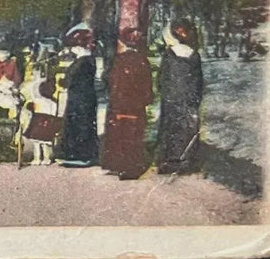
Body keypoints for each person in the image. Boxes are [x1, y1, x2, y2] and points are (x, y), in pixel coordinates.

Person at [102, 27, 153, 180]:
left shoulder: (119, 60)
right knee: (134, 135)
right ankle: (132, 166)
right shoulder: (143, 61)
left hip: (119, 103)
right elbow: (147, 86)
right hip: (136, 105)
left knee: (118, 134)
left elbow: (109, 80)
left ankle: (118, 165)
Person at [158, 20, 205, 174]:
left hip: (172, 98)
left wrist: (165, 93)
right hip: (188, 98)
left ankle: (171, 160)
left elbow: (162, 78)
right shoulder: (194, 55)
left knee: (172, 127)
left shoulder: (170, 54)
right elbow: (198, 81)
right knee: (187, 128)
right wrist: (196, 97)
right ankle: (187, 161)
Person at [58, 24, 100, 168]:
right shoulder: (85, 60)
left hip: (81, 99)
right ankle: (78, 154)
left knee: (80, 125)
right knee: (80, 125)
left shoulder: (83, 61)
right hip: (81, 98)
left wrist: (63, 80)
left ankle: (80, 155)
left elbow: (71, 79)